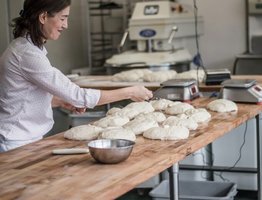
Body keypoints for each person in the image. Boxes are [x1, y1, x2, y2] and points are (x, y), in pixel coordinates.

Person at [0, 0, 153, 152]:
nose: (65, 25)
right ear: (43, 17)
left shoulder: (26, 48)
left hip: (23, 139)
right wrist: (130, 92)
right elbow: (78, 95)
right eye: (62, 18)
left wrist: (59, 101)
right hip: (15, 143)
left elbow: (21, 98)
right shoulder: (27, 54)